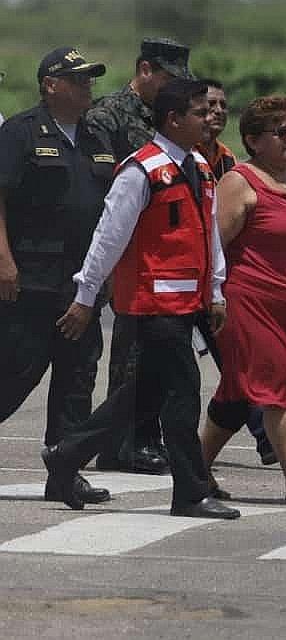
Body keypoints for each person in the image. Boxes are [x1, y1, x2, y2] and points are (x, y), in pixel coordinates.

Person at [41, 78, 239, 519]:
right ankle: (190, 493)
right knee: (183, 394)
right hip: (153, 306)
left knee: (141, 396)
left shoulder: (200, 168)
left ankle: (67, 453)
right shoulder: (141, 171)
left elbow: (209, 236)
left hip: (188, 304)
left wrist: (216, 291)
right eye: (199, 112)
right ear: (173, 119)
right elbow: (108, 237)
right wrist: (86, 294)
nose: (209, 119)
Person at [199, 95, 286, 506]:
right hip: (247, 304)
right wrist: (212, 299)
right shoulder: (239, 182)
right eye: (280, 132)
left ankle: (195, 469)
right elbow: (213, 248)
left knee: (236, 395)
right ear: (254, 141)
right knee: (277, 386)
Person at [0, 48, 113, 505]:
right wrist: (3, 261)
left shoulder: (96, 135)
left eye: (89, 79)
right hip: (30, 281)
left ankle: (65, 472)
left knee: (77, 380)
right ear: (50, 85)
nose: (88, 87)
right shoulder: (20, 132)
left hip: (82, 284)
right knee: (13, 375)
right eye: (78, 79)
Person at [84, 37, 195, 475]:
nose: (174, 88)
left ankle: (142, 439)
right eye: (167, 78)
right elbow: (105, 193)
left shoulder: (170, 117)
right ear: (145, 70)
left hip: (160, 256)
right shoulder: (107, 116)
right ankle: (119, 444)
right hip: (122, 252)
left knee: (155, 357)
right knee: (127, 356)